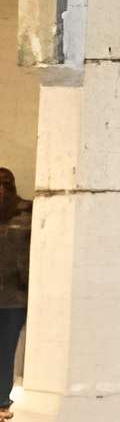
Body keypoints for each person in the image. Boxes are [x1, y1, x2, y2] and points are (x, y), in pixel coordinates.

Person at [0, 167, 29, 404]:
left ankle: (0, 400)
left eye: (5, 183)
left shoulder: (28, 213)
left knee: (5, 352)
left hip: (14, 297)